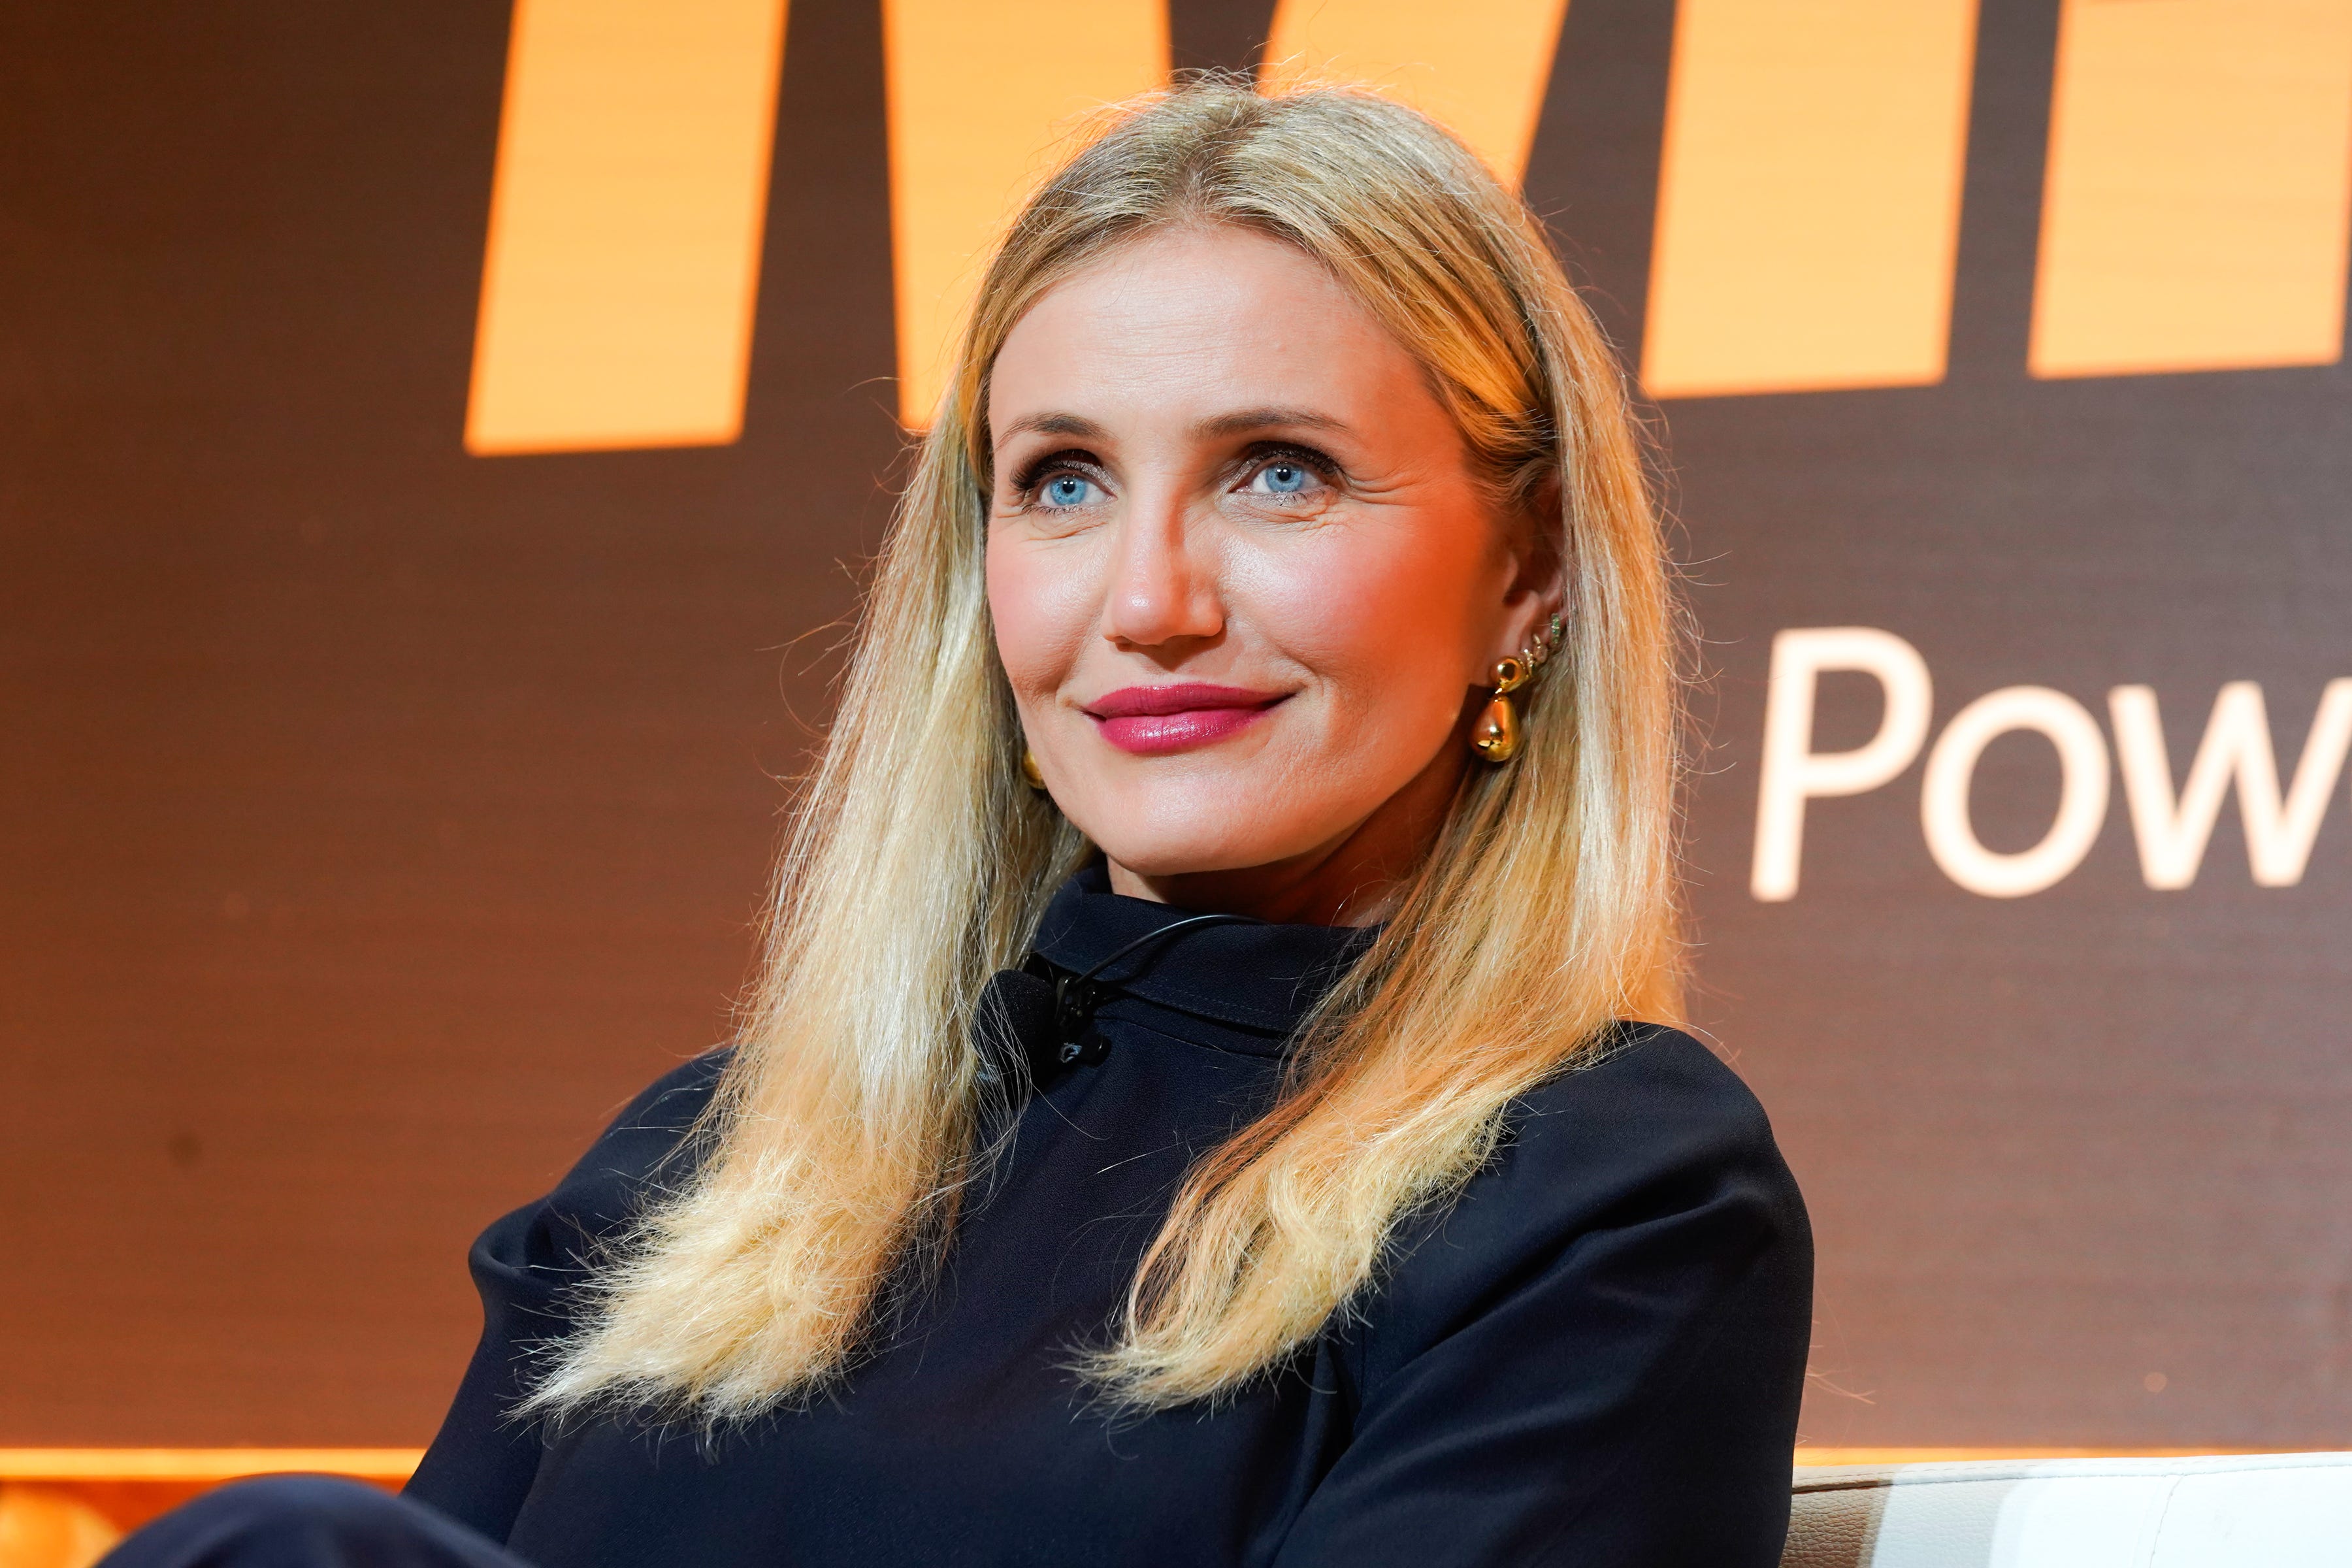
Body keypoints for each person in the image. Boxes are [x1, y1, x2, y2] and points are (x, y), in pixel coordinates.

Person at [106, 80, 1811, 1568]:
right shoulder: (704, 1168)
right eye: (1062, 481)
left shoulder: (1601, 1191)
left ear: (1531, 579)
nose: (1147, 599)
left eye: (1277, 469)